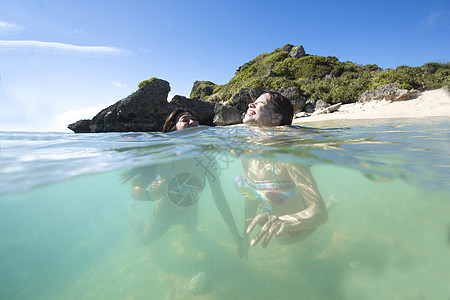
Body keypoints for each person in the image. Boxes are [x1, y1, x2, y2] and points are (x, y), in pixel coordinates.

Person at [124, 109, 243, 255]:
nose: (192, 122)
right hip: (166, 212)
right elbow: (135, 189)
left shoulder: (206, 157)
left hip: (191, 209)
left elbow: (219, 198)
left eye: (194, 119)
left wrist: (235, 235)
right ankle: (131, 210)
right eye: (185, 120)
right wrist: (150, 195)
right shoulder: (164, 156)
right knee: (145, 240)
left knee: (190, 231)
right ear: (173, 129)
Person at [235, 91, 328, 255]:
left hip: (300, 227)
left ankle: (333, 203)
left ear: (276, 118)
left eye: (260, 103)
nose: (251, 104)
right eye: (253, 102)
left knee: (300, 250)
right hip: (275, 227)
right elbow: (252, 195)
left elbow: (320, 213)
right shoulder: (247, 154)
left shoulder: (288, 157)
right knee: (282, 241)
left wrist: (284, 221)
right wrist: (245, 234)